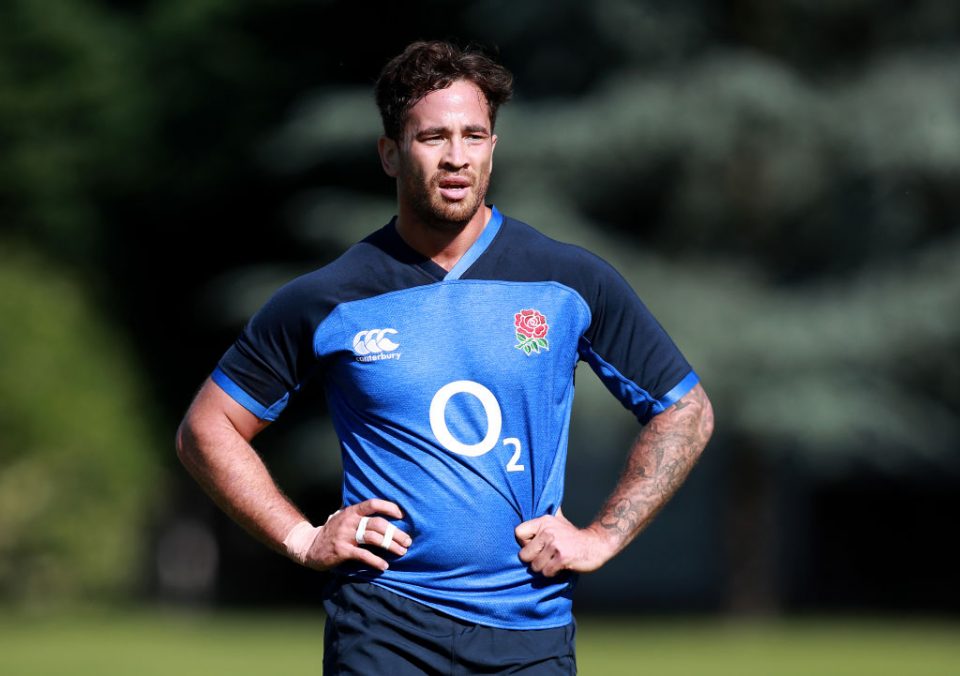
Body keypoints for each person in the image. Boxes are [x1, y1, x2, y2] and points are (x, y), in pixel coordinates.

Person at [176, 40, 714, 675]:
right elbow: (206, 429)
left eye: (474, 135)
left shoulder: (569, 282)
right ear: (390, 153)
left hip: (530, 633)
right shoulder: (330, 298)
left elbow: (686, 411)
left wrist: (602, 537)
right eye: (433, 137)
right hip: (384, 626)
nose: (457, 158)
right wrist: (304, 537)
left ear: (493, 146)